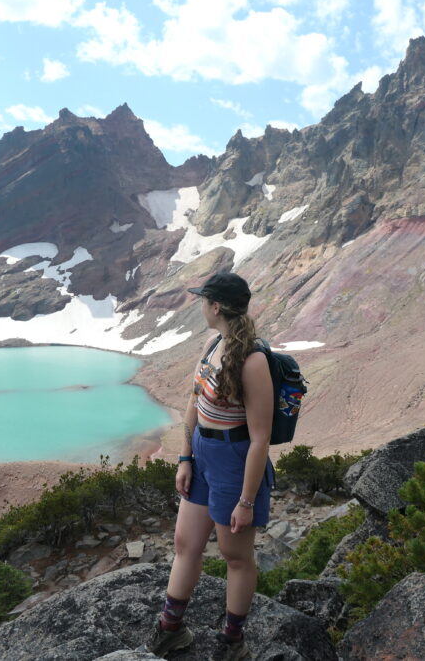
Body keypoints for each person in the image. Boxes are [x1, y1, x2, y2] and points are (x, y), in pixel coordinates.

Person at [146, 271, 274, 661]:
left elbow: (260, 439)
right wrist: (185, 457)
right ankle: (171, 629)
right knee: (186, 544)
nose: (201, 306)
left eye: (204, 301)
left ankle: (232, 642)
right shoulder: (212, 343)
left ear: (216, 306)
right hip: (203, 454)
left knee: (236, 557)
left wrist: (246, 501)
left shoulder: (252, 361)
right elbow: (194, 402)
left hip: (234, 462)